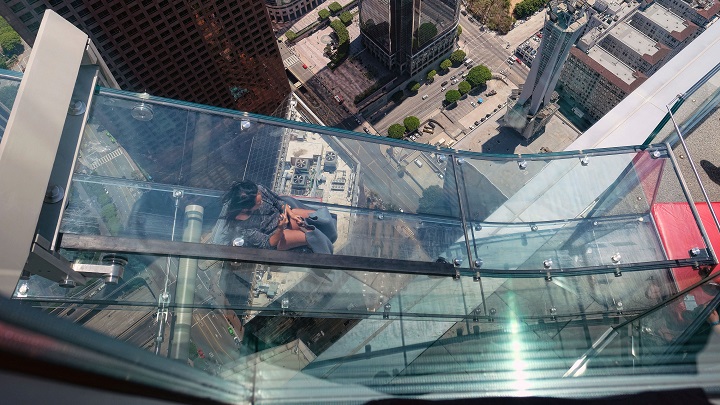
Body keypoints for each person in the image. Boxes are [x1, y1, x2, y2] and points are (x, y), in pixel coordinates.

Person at [218, 180, 336, 253]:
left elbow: (278, 202)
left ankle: (331, 233)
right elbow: (268, 244)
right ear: (246, 209)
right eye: (258, 204)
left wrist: (292, 214)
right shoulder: (242, 227)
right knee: (308, 235)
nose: (262, 202)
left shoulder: (259, 190)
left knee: (312, 216)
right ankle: (326, 253)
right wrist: (280, 228)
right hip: (275, 235)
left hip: (283, 217)